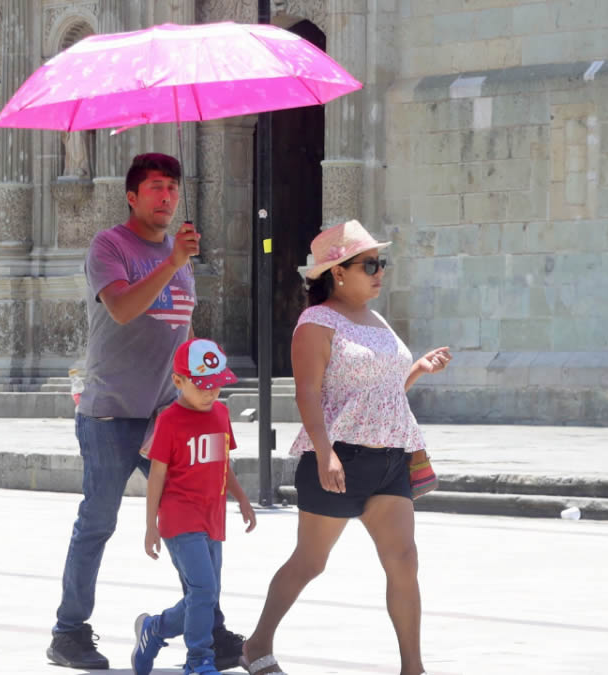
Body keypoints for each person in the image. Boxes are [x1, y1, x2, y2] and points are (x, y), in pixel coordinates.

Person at [48, 153, 245, 670]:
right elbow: (122, 307)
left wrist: (203, 390)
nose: (167, 197)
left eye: (173, 189)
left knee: (190, 520)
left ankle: (211, 627)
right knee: (98, 521)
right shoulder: (109, 247)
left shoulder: (178, 257)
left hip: (167, 414)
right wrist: (173, 263)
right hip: (111, 414)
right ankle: (68, 632)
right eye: (156, 187)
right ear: (132, 196)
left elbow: (183, 332)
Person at [240, 220, 451, 675]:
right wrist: (325, 450)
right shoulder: (316, 323)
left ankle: (413, 668)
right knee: (310, 562)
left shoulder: (375, 318)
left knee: (404, 561)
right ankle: (256, 643)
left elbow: (382, 388)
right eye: (370, 264)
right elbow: (308, 393)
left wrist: (415, 369)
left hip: (392, 456)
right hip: (341, 458)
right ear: (337, 271)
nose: (380, 272)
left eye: (381, 263)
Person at [133, 338, 256, 675]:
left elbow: (223, 462)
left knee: (205, 596)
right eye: (202, 385)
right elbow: (156, 475)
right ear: (178, 381)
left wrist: (243, 499)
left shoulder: (221, 413)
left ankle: (155, 629)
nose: (211, 393)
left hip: (212, 517)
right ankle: (199, 659)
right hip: (178, 517)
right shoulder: (170, 421)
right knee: (204, 589)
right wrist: (150, 525)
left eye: (217, 384)